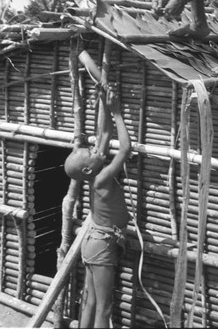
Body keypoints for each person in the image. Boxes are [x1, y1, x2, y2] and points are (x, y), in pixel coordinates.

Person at [64, 88, 131, 328]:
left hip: (94, 241)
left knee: (90, 301)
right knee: (104, 308)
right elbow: (125, 149)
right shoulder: (100, 179)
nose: (95, 149)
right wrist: (118, 112)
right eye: (90, 152)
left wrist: (104, 100)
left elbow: (103, 133)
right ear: (86, 171)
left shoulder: (94, 171)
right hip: (101, 243)